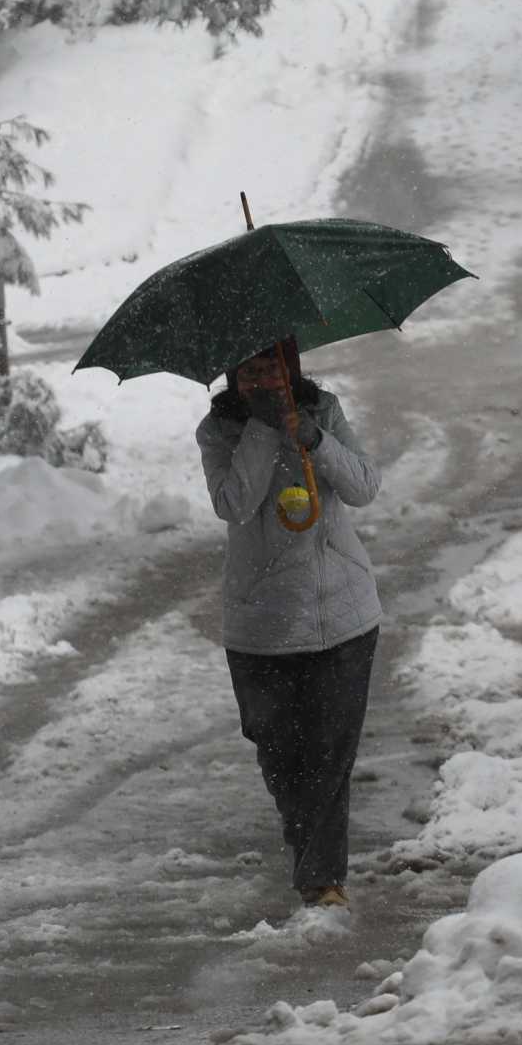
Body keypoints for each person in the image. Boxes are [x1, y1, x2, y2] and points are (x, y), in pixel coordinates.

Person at [195, 336, 383, 911]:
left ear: (291, 365)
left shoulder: (323, 410)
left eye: (271, 367)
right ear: (233, 376)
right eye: (249, 371)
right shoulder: (219, 432)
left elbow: (363, 486)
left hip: (340, 614)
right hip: (262, 625)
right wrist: (263, 429)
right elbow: (234, 504)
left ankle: (321, 879)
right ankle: (307, 844)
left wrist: (312, 438)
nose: (262, 380)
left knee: (329, 750)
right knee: (279, 753)